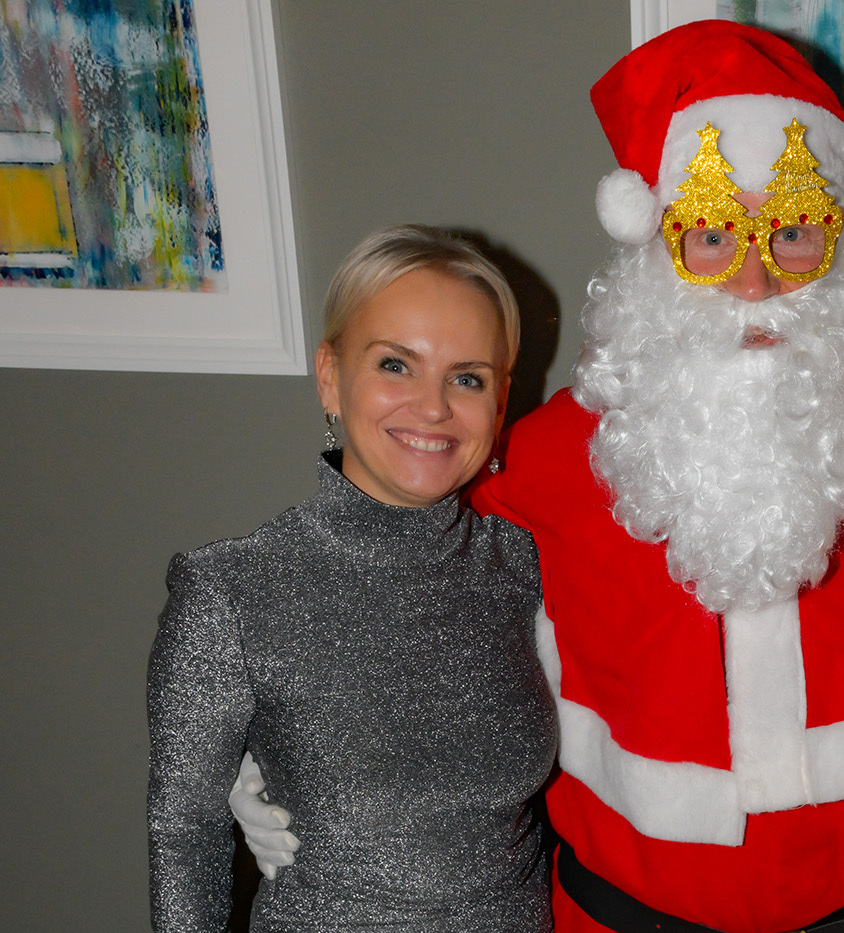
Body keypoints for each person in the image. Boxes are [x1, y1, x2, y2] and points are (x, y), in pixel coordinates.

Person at [233, 21, 844, 932]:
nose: (754, 282)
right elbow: (402, 580)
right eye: (711, 235)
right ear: (655, 249)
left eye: (794, 231)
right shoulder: (546, 460)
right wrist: (278, 732)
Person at [147, 225, 557, 932]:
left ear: (500, 401)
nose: (434, 406)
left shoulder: (525, 564)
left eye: (467, 377)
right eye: (396, 364)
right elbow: (185, 837)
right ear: (331, 376)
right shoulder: (232, 591)